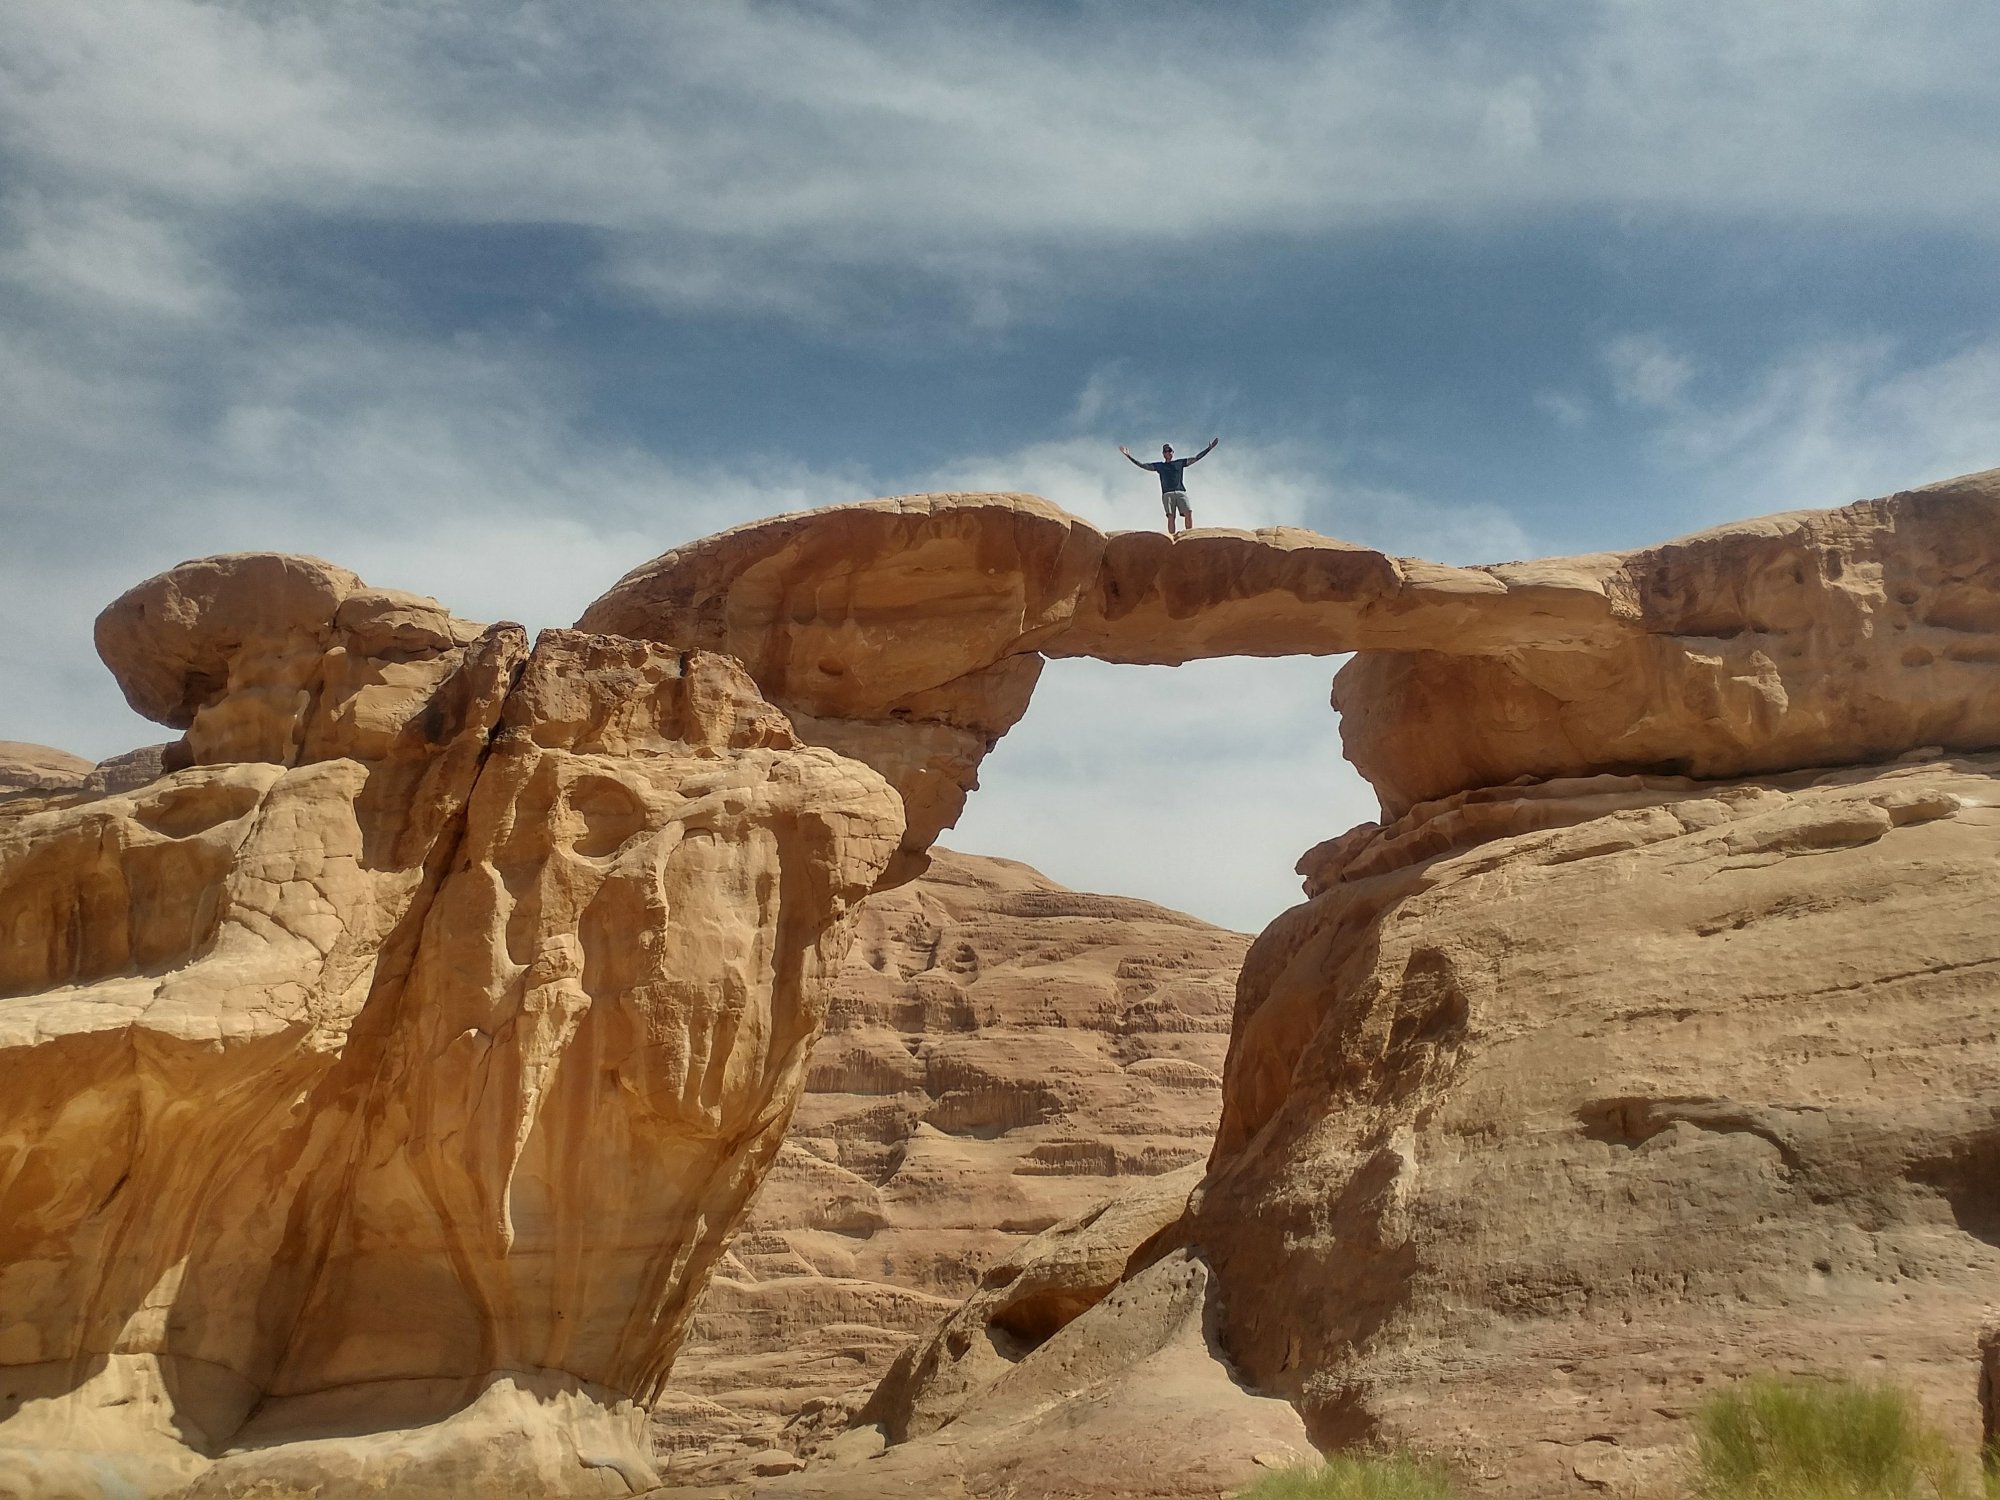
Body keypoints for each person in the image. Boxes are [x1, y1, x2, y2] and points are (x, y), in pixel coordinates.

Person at [1119, 438, 1218, 535]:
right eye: (1165, 451)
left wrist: (1208, 449)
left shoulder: (1179, 463)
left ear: (1172, 452)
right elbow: (1143, 465)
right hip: (1167, 493)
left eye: (1169, 450)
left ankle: (1189, 535)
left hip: (1180, 491)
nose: (1168, 453)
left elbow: (1196, 458)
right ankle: (1172, 538)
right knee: (1171, 516)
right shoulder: (1160, 466)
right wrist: (1128, 456)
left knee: (1188, 512)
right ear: (1163, 454)